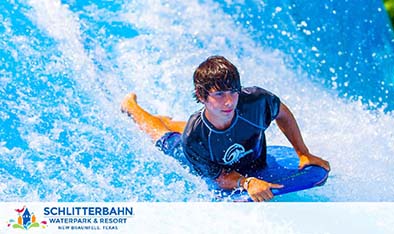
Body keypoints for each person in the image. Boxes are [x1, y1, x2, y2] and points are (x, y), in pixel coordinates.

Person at [121, 55, 330, 202]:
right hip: (204, 154)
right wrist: (246, 182)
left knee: (218, 121)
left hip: (217, 131)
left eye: (233, 91)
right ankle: (132, 107)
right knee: (164, 137)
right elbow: (220, 177)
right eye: (219, 94)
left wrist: (303, 153)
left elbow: (282, 113)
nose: (229, 101)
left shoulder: (255, 101)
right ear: (202, 96)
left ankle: (168, 118)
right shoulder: (194, 139)